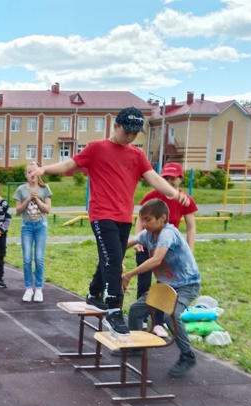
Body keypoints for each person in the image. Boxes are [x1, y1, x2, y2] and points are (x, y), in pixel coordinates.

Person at [28, 106, 191, 334]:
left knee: (111, 257)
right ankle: (114, 311)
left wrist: (174, 193)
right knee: (114, 259)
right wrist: (44, 169)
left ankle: (94, 294)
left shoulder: (137, 155)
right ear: (115, 126)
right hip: (101, 214)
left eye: (135, 134)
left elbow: (153, 178)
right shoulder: (97, 148)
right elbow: (69, 165)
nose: (131, 137)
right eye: (127, 132)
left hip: (123, 216)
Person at [121, 199, 201, 378]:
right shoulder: (148, 234)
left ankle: (188, 356)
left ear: (162, 218)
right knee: (135, 310)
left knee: (170, 315)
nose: (144, 223)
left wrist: (128, 275)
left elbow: (156, 260)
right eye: (142, 220)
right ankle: (136, 347)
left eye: (148, 219)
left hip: (186, 285)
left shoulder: (168, 234)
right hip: (165, 285)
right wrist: (109, 255)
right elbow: (126, 243)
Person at [136, 162, 198, 334]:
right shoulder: (153, 196)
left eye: (173, 178)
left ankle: (157, 322)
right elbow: (140, 219)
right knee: (144, 281)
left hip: (167, 250)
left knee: (163, 285)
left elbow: (191, 227)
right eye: (166, 178)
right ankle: (140, 319)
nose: (170, 182)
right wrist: (139, 240)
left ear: (180, 179)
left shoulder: (185, 199)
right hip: (148, 244)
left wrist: (190, 250)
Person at [13, 163, 51, 302]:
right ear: (26, 175)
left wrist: (37, 200)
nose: (32, 174)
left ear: (39, 173)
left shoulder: (44, 188)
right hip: (27, 226)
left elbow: (47, 209)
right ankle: (29, 288)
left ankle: (39, 288)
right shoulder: (21, 190)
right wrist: (28, 199)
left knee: (39, 259)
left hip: (41, 226)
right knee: (27, 258)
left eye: (34, 171)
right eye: (29, 172)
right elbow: (17, 210)